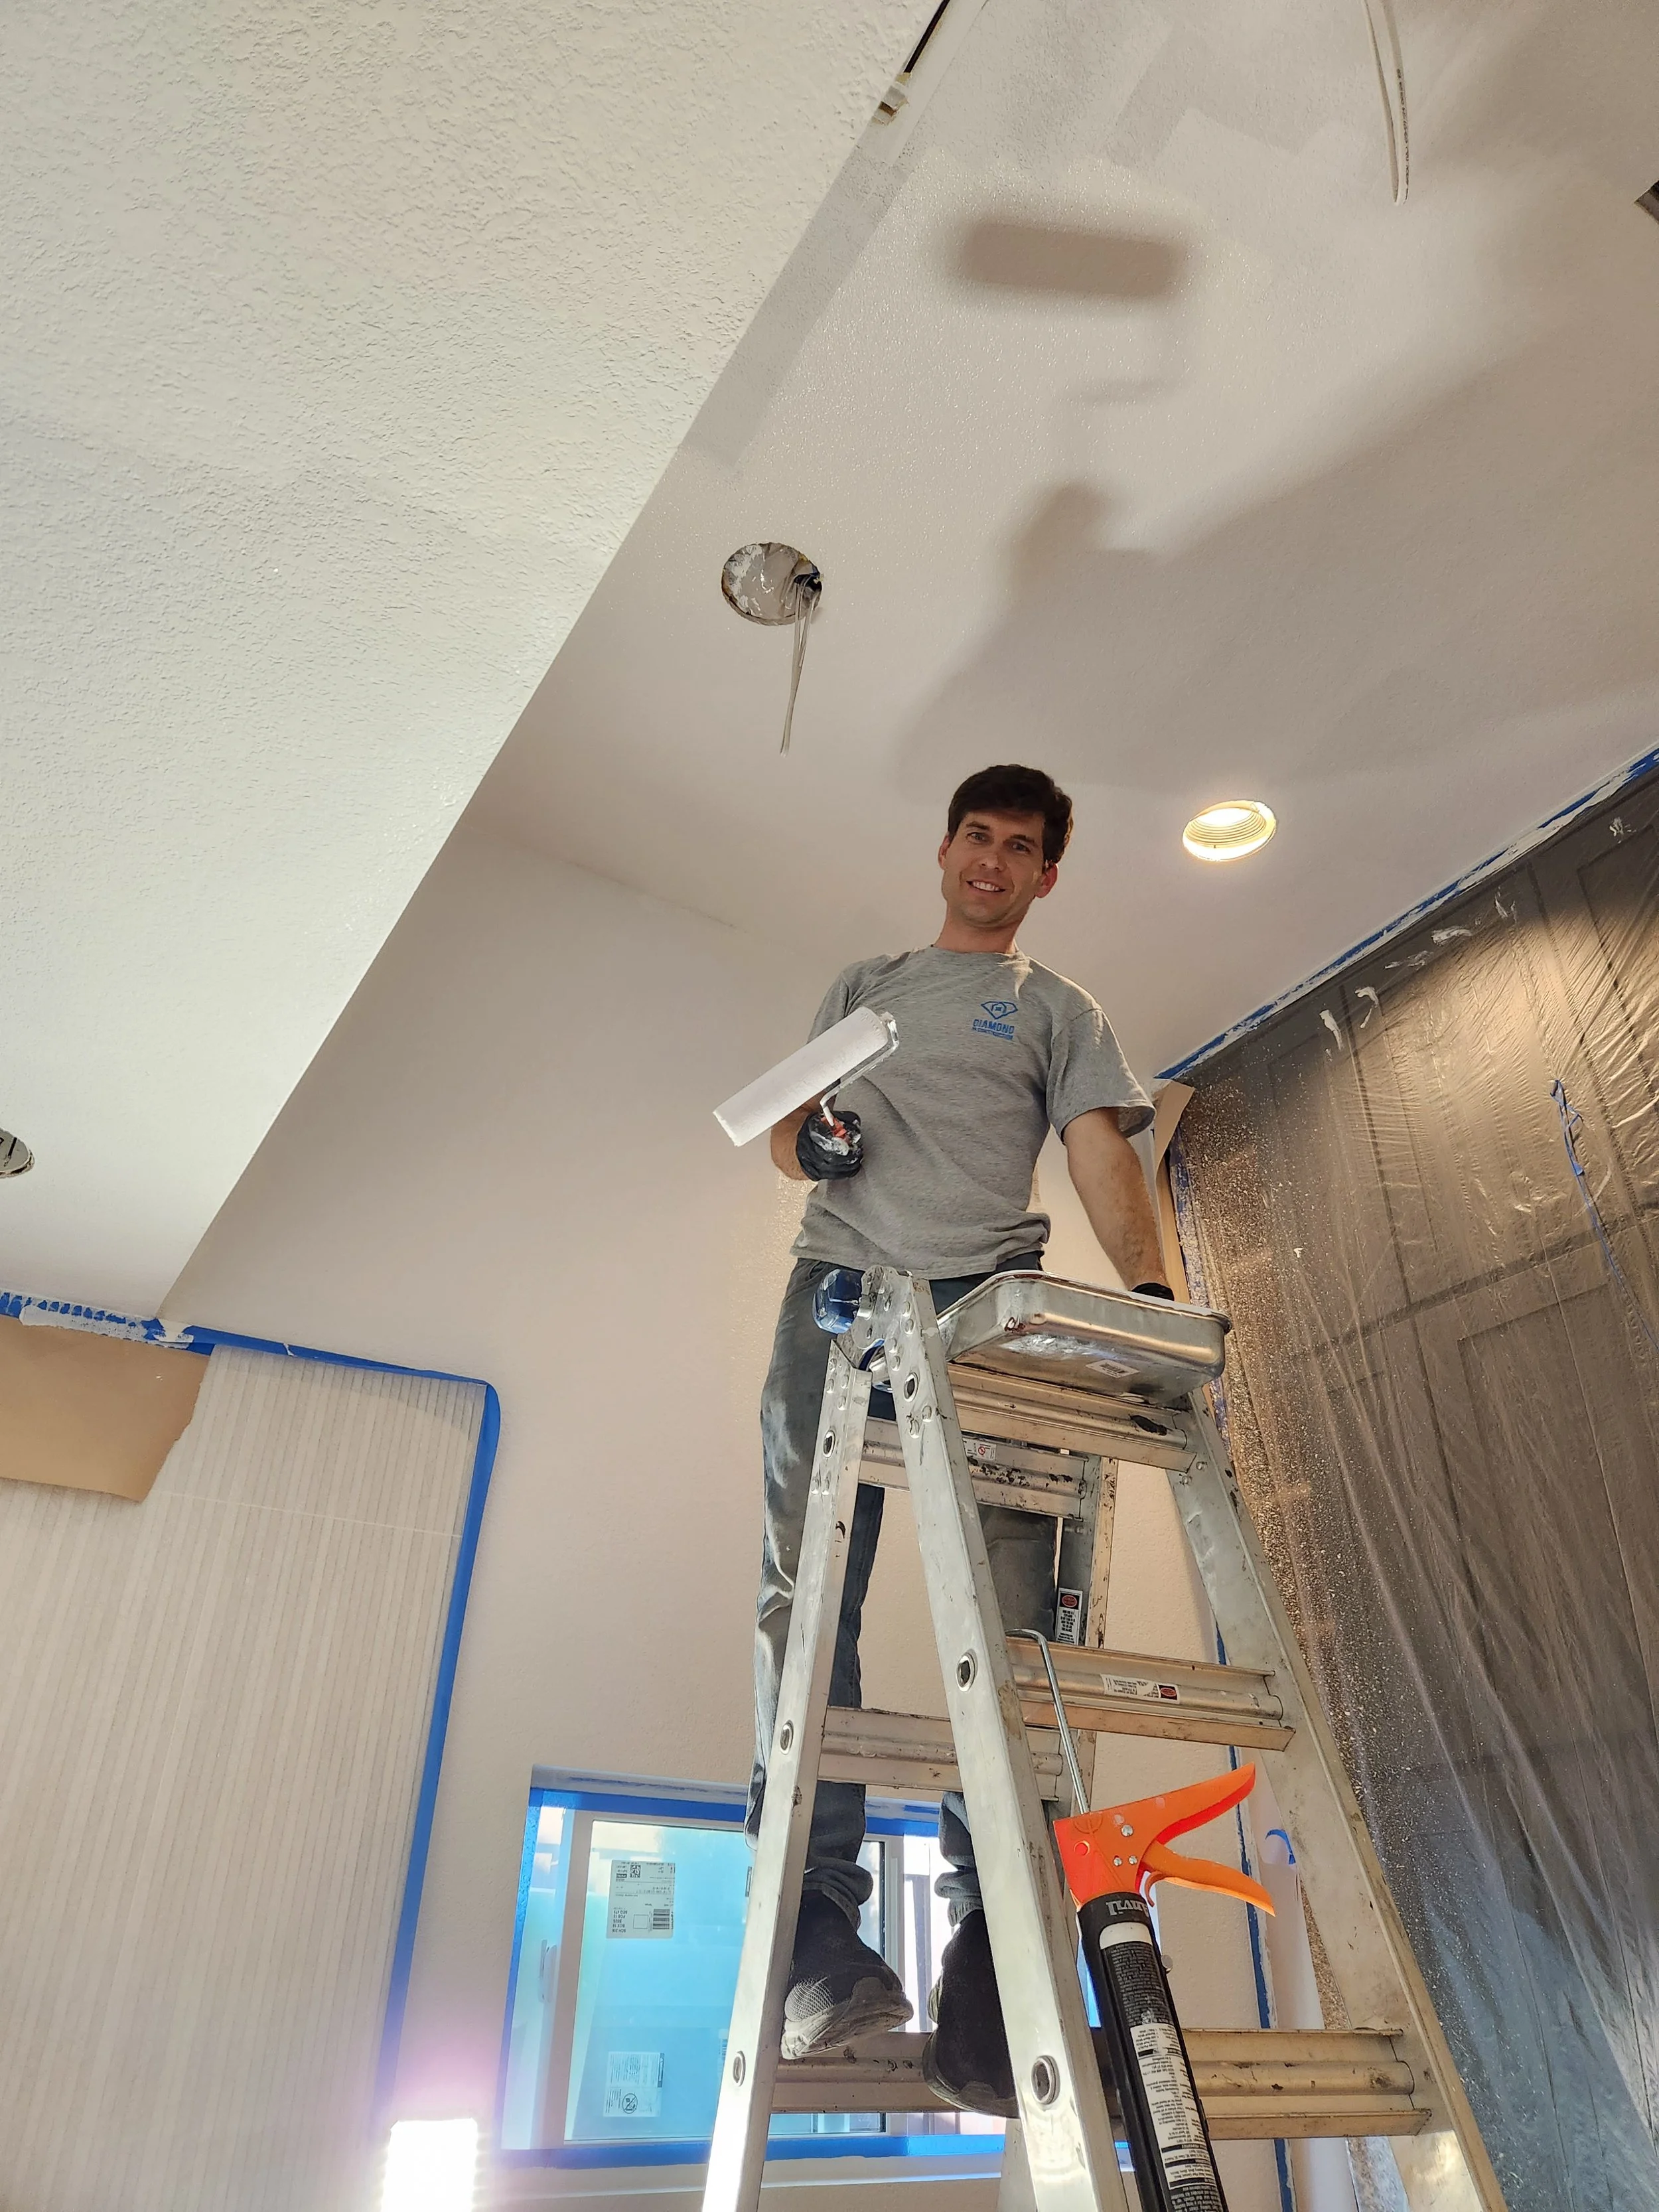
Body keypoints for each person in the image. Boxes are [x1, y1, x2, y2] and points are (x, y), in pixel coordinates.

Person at [750, 763, 1172, 2116]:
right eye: (976, 836)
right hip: (835, 1302)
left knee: (1007, 1622)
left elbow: (1100, 1150)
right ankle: (818, 1928)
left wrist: (1154, 1300)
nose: (992, 859)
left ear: (1045, 875)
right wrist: (810, 1144)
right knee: (801, 1601)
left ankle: (991, 1953)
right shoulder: (862, 987)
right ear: (943, 850)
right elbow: (782, 1138)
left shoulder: (1053, 1009)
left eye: (1021, 847)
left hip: (981, 1316)